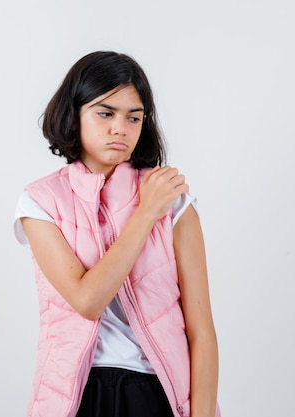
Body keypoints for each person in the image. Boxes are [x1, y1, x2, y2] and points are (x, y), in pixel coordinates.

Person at [13, 51, 220, 417]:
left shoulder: (174, 201)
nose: (120, 128)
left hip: (157, 392)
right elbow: (87, 300)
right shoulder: (40, 202)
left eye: (134, 117)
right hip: (76, 397)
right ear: (73, 114)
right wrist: (145, 214)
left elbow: (200, 331)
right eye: (105, 113)